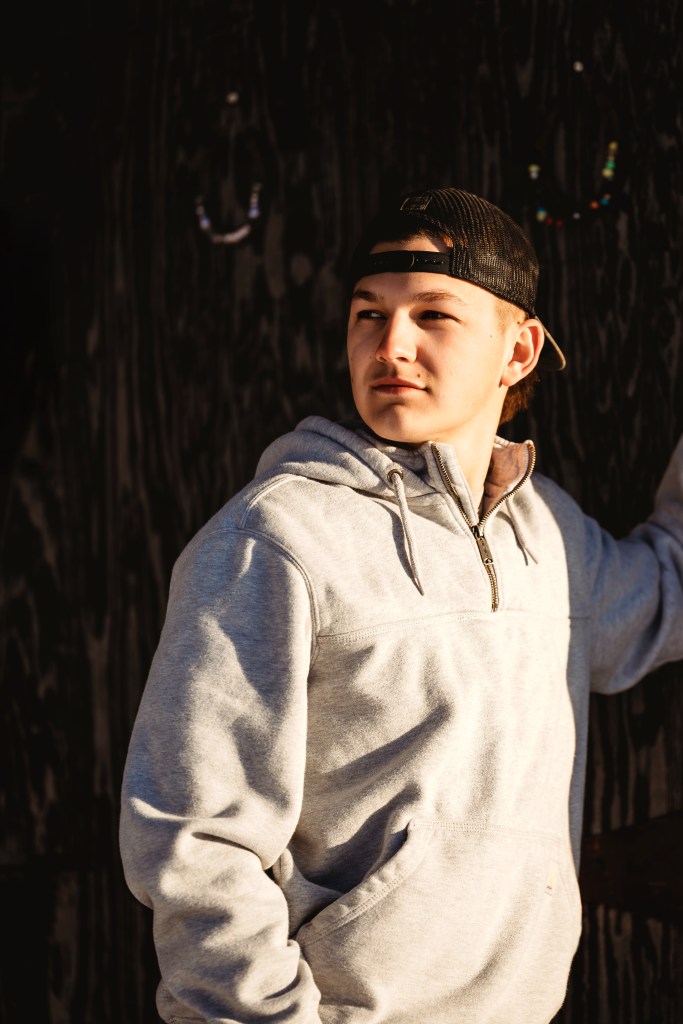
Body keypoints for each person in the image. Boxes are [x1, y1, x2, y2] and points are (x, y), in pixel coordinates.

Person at [119, 187, 683, 1024]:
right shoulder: (274, 539)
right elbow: (195, 841)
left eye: (433, 316)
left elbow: (665, 592)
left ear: (517, 350)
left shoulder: (551, 535)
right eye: (367, 315)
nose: (391, 345)